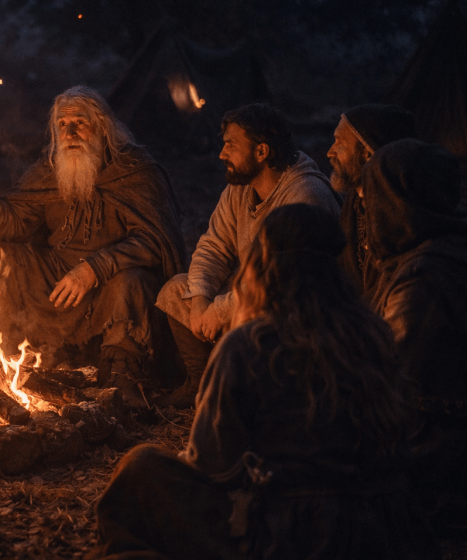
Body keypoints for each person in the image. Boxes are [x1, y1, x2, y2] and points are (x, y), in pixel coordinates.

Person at [97, 204, 435, 560]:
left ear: (261, 266)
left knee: (141, 467)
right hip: (388, 530)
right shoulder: (374, 334)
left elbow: (213, 466)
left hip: (295, 536)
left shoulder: (251, 347)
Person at [0, 85, 189, 408]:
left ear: (102, 127)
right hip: (58, 278)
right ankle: (8, 361)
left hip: (112, 282)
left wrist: (94, 268)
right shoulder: (50, 170)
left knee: (131, 283)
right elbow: (17, 221)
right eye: (62, 124)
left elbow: (155, 240)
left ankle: (123, 375)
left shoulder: (134, 171)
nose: (70, 132)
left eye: (80, 122)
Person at [156, 103, 339, 408]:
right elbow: (214, 245)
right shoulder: (242, 187)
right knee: (179, 289)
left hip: (297, 310)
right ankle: (202, 385)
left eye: (230, 145)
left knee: (267, 320)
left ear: (261, 152)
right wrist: (201, 302)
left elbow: (283, 282)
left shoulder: (304, 196)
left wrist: (221, 311)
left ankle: (251, 393)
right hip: (252, 294)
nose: (221, 154)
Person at [362, 138, 467, 534]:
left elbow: (389, 378)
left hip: (435, 450)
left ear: (393, 200)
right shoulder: (444, 244)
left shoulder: (424, 280)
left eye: (372, 195)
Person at [326, 104, 416, 297]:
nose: (330, 152)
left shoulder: (404, 216)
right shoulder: (353, 205)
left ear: (367, 154)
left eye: (339, 143)